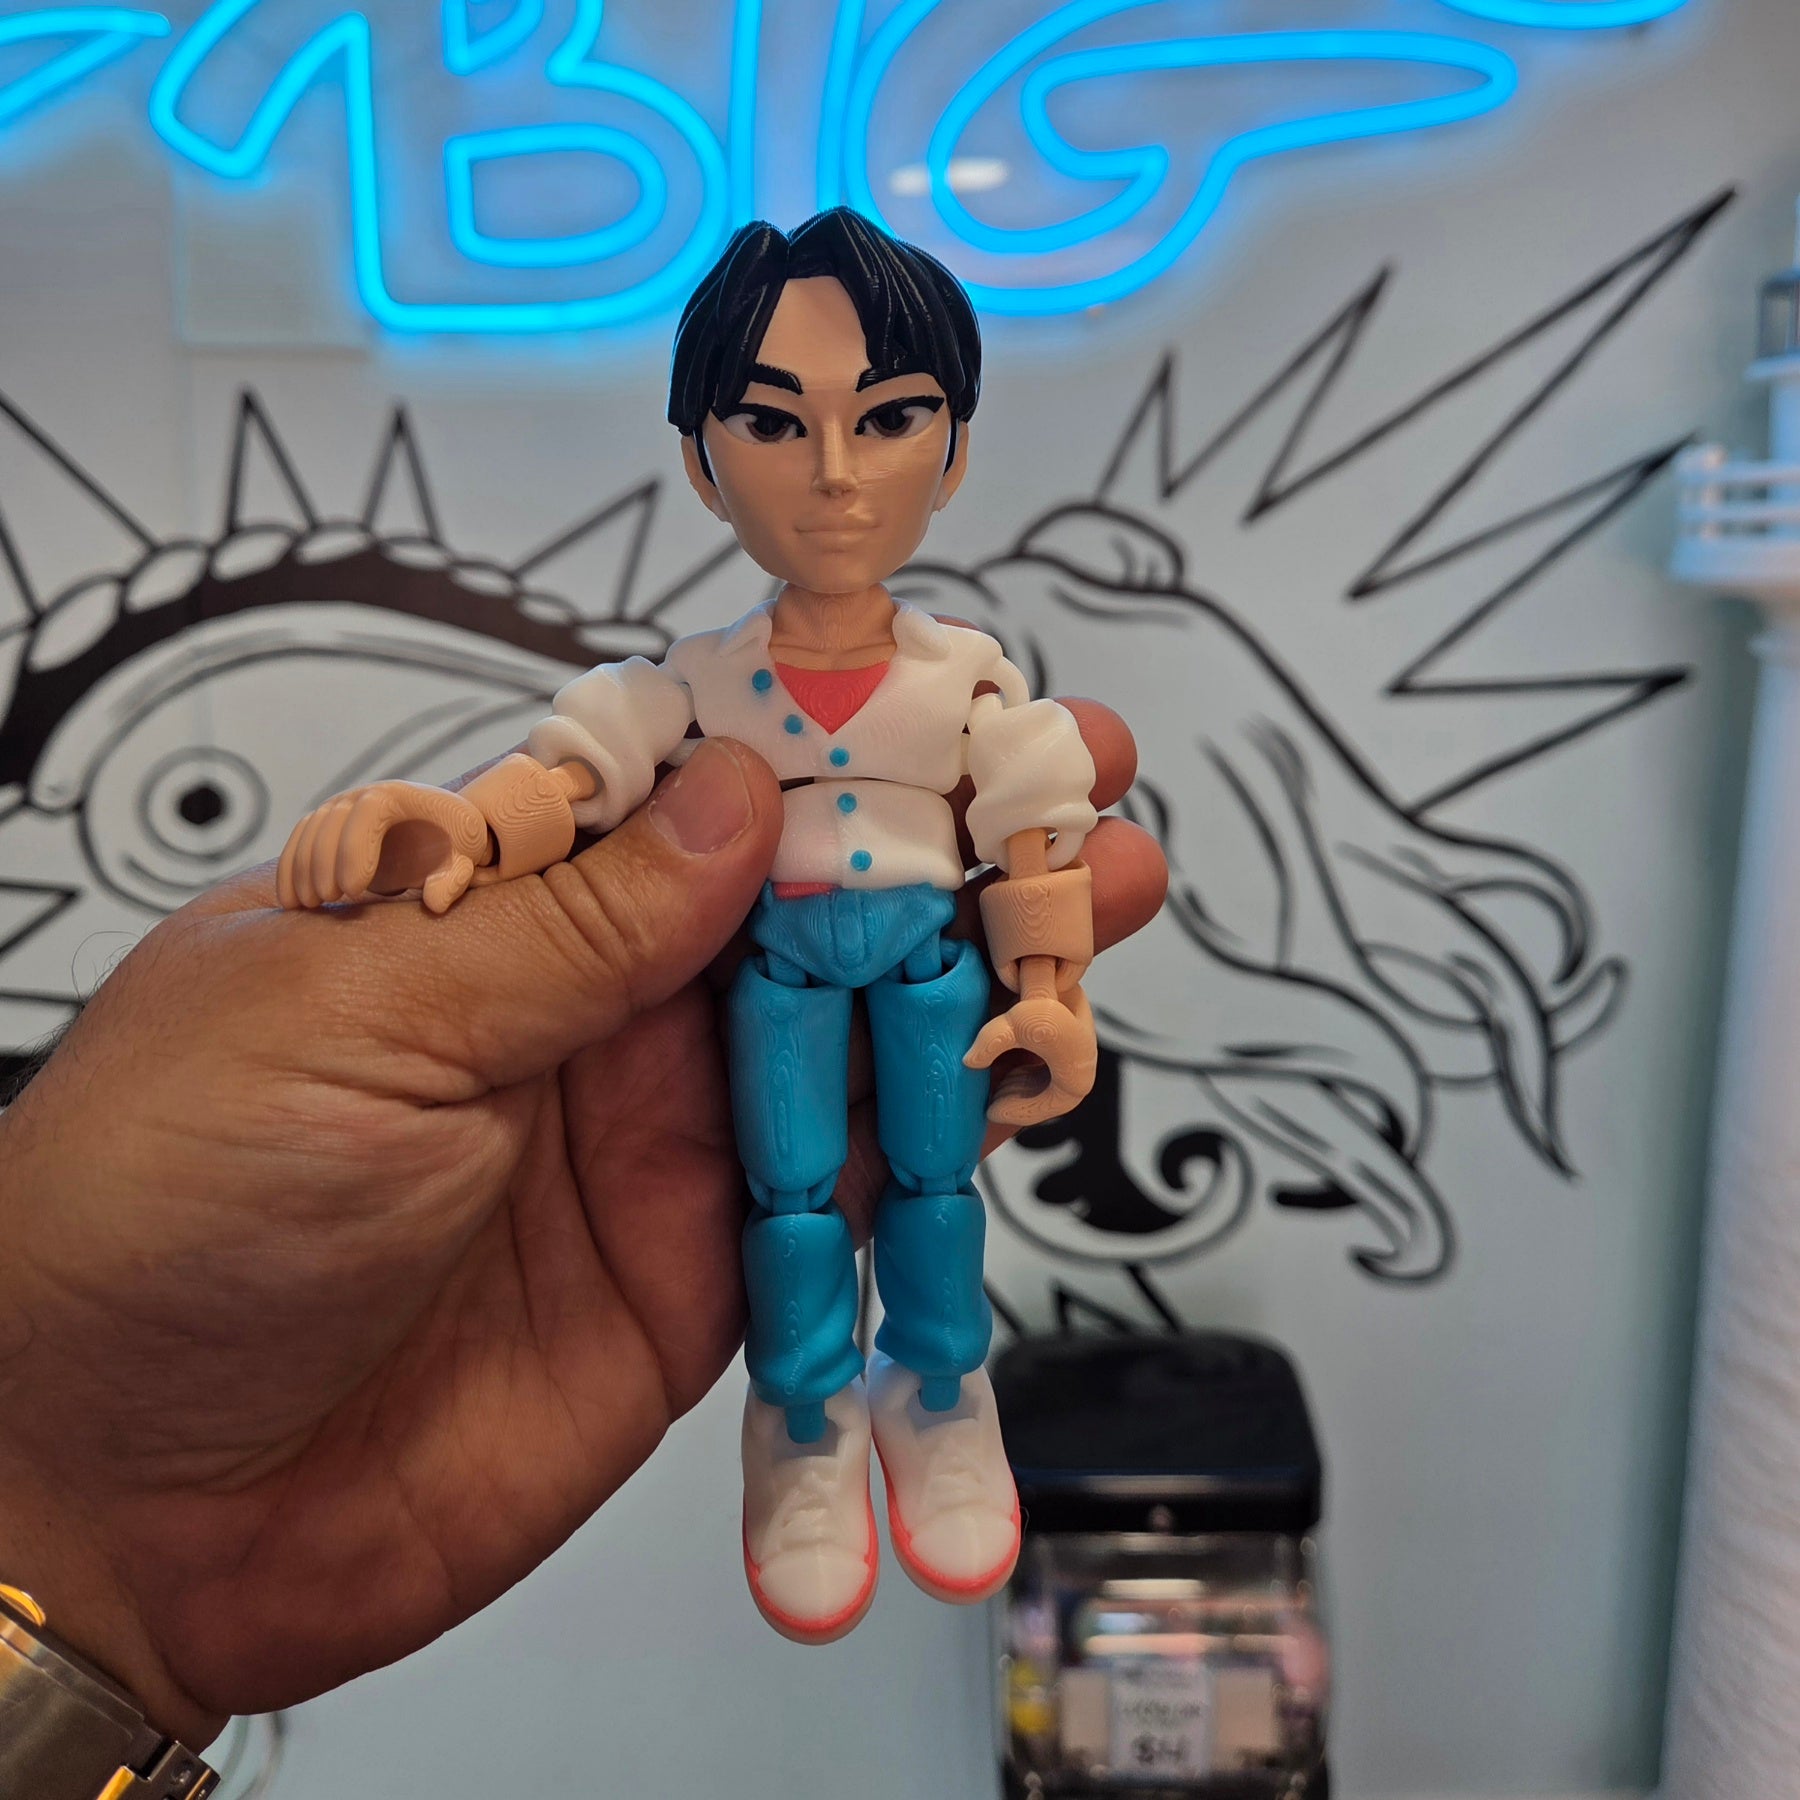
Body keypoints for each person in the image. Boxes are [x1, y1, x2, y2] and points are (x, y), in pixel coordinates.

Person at [0, 223, 1164, 1746]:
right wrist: (458, 827)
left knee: (935, 1191)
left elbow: (1036, 830)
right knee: (792, 1204)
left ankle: (940, 1390)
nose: (835, 471)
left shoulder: (971, 678)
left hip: (935, 967)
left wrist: (1053, 990)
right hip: (773, 975)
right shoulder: (698, 681)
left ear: (951, 452)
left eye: (889, 417)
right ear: (701, 462)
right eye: (773, 421)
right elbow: (572, 776)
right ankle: (802, 1418)